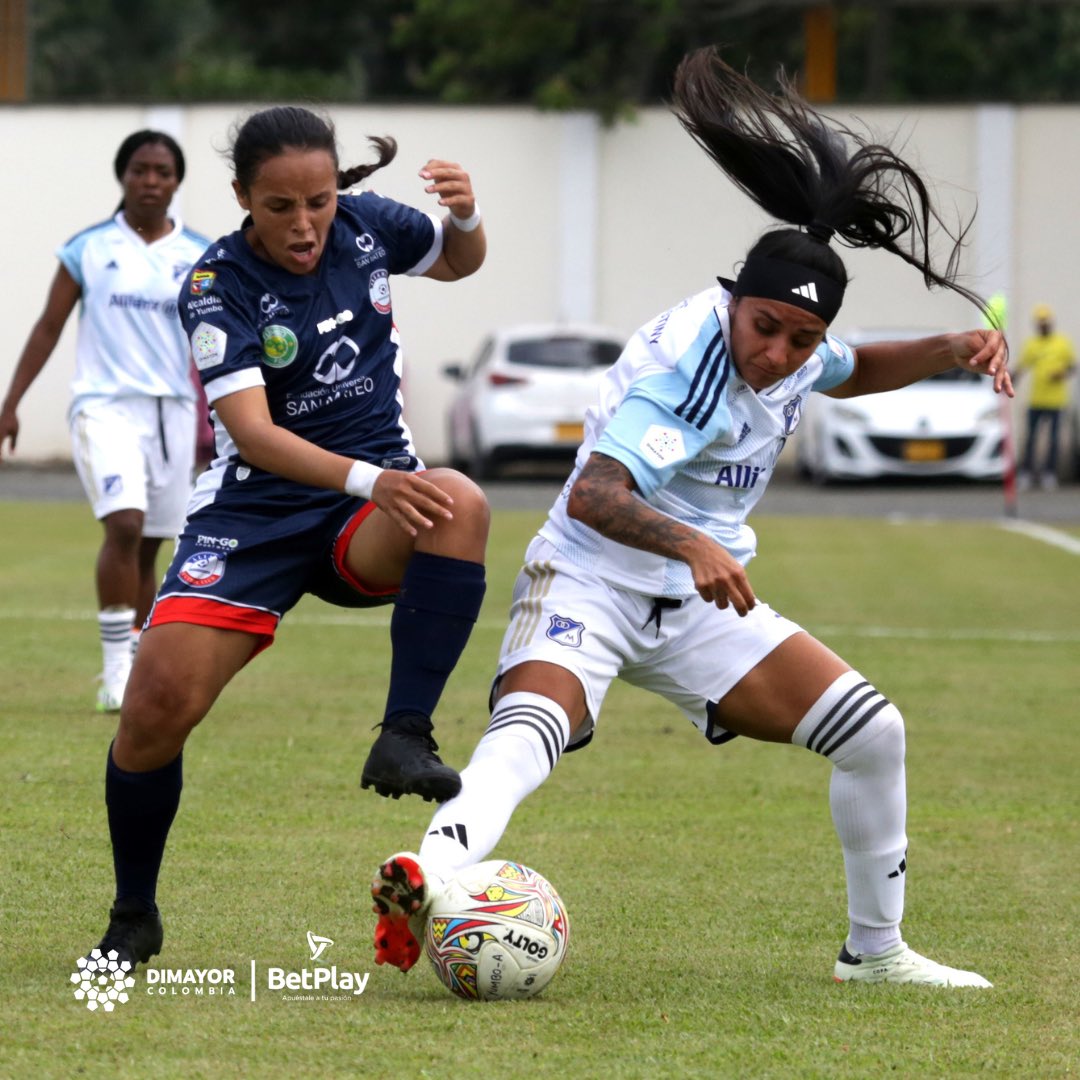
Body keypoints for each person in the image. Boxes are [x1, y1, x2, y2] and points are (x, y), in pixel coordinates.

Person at [370, 47, 1009, 988]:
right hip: (590, 577)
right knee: (531, 731)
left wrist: (950, 346)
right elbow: (595, 493)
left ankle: (875, 954)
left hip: (698, 602)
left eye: (802, 339)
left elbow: (852, 368)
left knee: (875, 732)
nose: (779, 354)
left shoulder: (797, 349)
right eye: (765, 329)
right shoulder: (688, 368)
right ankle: (428, 874)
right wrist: (693, 541)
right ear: (732, 303)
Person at [88, 105, 490, 968]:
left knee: (458, 502)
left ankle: (404, 734)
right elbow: (255, 433)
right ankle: (133, 915)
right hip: (254, 515)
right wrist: (373, 479)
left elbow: (459, 260)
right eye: (280, 207)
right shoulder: (214, 283)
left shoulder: (367, 226)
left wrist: (465, 214)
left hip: (363, 514)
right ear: (242, 197)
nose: (305, 225)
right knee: (155, 708)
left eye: (319, 201)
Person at [0, 131, 211, 712]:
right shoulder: (89, 248)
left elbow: (216, 336)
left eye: (163, 171)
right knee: (123, 524)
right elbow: (48, 326)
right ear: (122, 176)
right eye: (140, 169)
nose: (151, 181)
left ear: (177, 180)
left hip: (172, 412)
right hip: (104, 406)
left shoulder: (200, 255)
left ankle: (137, 667)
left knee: (148, 544)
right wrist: (11, 404)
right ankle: (115, 673)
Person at [1016, 304, 1075, 491]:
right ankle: (1026, 473)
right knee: (1031, 438)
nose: (1043, 326)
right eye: (1040, 323)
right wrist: (1010, 378)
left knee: (1053, 440)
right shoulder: (1032, 344)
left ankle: (1049, 473)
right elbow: (1022, 366)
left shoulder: (1062, 342)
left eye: (1046, 322)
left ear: (1051, 323)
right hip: (1036, 399)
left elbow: (1072, 366)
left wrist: (1062, 373)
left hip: (1057, 400)